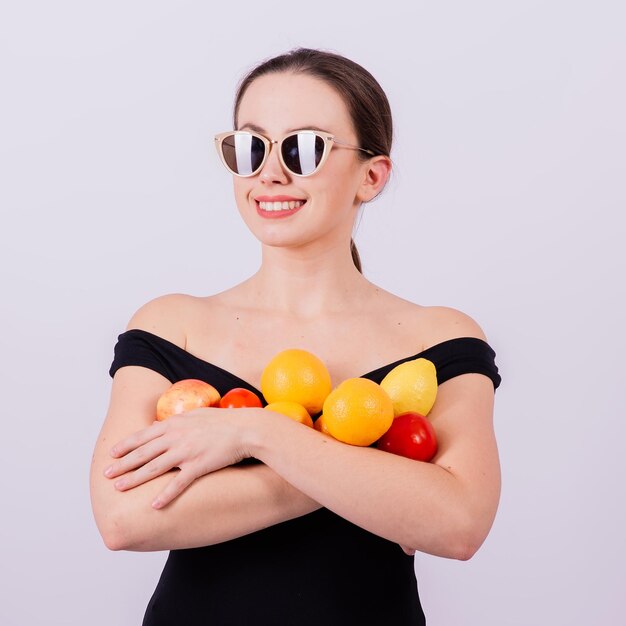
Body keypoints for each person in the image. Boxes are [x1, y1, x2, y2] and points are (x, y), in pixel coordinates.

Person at [90, 47, 501, 625]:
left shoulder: (442, 337)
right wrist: (377, 477)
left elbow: (458, 524)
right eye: (251, 146)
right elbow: (124, 518)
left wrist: (253, 433)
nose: (270, 173)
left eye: (305, 149)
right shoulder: (170, 326)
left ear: (371, 175)